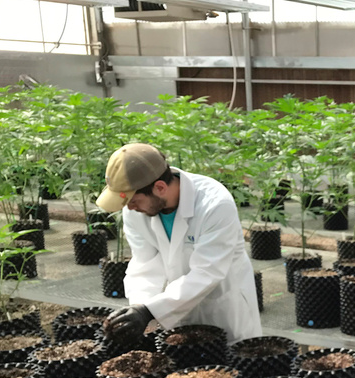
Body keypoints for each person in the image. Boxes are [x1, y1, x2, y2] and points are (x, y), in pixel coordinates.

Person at [96, 143, 262, 344]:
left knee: (230, 364)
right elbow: (145, 264)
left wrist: (150, 310)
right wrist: (139, 310)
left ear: (159, 187)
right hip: (178, 312)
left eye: (133, 200)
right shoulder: (135, 211)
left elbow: (207, 272)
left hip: (224, 306)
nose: (129, 207)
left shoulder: (214, 204)